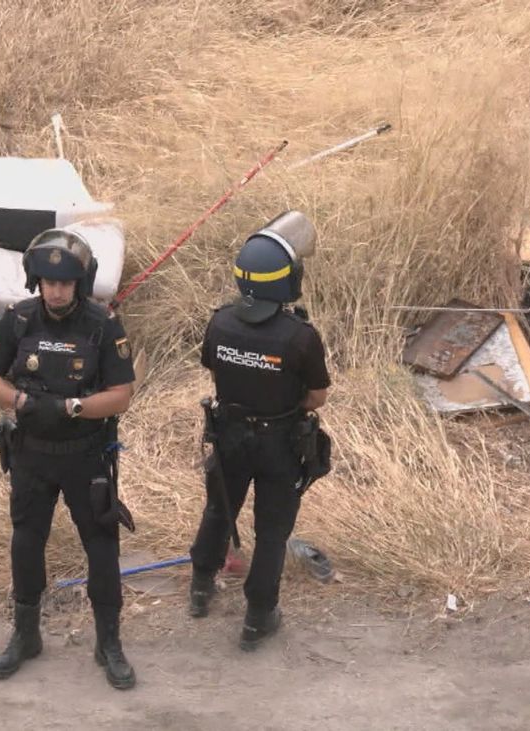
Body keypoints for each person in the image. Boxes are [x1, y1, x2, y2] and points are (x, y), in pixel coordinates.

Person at [0, 228, 138, 690]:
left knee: (102, 547)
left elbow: (121, 395)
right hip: (31, 456)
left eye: (66, 282)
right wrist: (22, 403)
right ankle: (25, 636)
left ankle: (109, 642)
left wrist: (74, 407)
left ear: (81, 282)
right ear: (36, 281)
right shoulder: (20, 320)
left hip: (84, 457)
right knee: (26, 543)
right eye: (48, 281)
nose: (57, 290)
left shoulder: (102, 325)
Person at [188, 211, 332, 651]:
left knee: (219, 510)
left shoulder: (220, 323)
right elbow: (317, 396)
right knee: (272, 532)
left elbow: (213, 367)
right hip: (278, 444)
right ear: (285, 280)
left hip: (229, 436)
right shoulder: (299, 336)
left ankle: (199, 588)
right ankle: (258, 616)